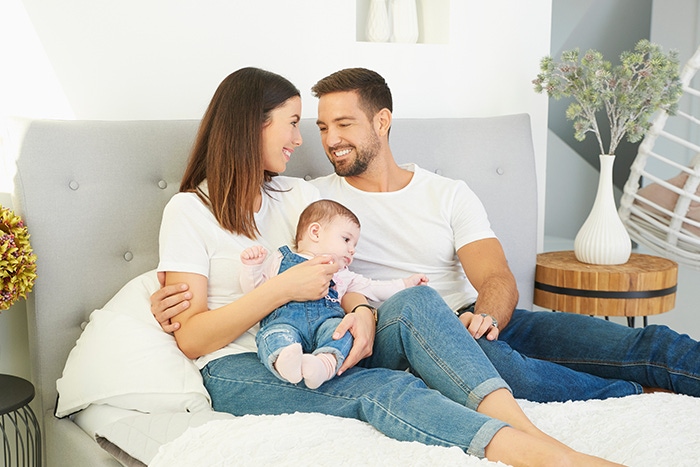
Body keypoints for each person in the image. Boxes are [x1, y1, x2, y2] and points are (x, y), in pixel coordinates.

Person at [155, 66, 621, 465]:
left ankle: (535, 436)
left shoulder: (298, 195)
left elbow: (337, 274)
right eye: (293, 123)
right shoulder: (189, 211)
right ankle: (544, 458)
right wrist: (279, 289)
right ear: (250, 125)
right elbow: (192, 338)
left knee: (417, 299)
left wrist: (359, 310)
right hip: (241, 362)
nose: (301, 138)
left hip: (323, 340)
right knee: (383, 389)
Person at [241, 198, 428, 389]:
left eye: (354, 244)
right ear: (315, 232)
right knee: (273, 335)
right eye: (346, 239)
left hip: (326, 326)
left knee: (343, 332)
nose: (352, 250)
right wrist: (252, 268)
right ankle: (284, 361)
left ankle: (324, 364)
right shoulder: (282, 259)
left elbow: (373, 288)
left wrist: (406, 284)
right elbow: (256, 292)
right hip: (284, 323)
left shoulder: (342, 274)